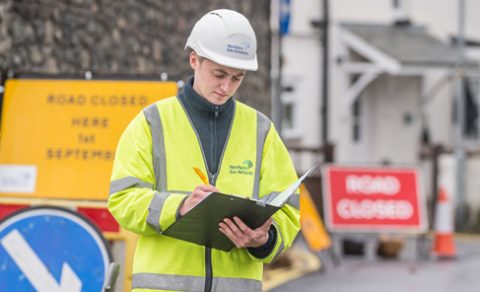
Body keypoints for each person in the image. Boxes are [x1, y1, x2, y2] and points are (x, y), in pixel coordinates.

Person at [108, 9, 300, 292]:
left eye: (237, 78)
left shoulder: (261, 131)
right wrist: (180, 207)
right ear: (194, 60)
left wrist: (266, 239)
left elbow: (289, 211)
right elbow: (123, 199)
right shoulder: (151, 123)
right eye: (219, 74)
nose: (226, 87)